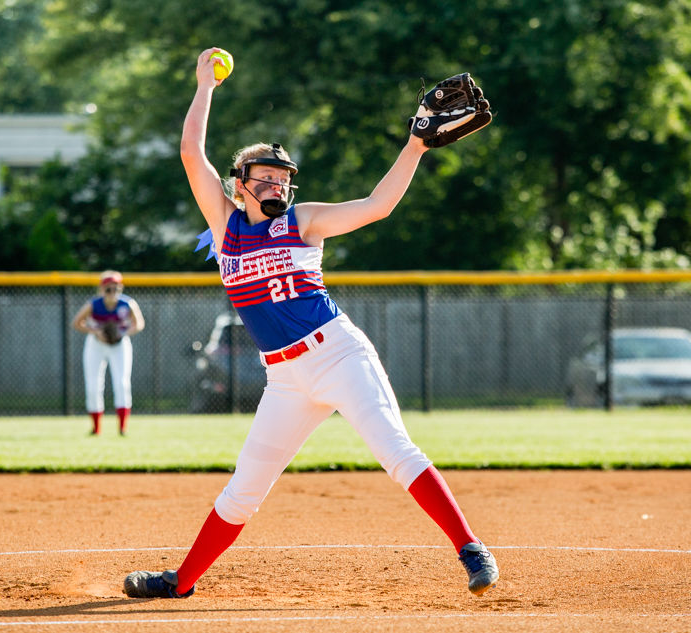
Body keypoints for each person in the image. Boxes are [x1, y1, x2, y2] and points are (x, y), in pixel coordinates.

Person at [123, 48, 499, 599]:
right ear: (238, 185)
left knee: (396, 452)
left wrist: (415, 145)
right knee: (244, 489)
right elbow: (189, 151)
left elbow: (377, 205)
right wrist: (204, 85)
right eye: (264, 177)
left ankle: (472, 549)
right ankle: (181, 582)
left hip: (338, 355)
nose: (276, 185)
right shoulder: (224, 223)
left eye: (282, 178)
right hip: (285, 378)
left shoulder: (304, 221)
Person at [71, 271, 145, 435]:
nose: (112, 292)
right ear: (101, 289)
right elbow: (76, 323)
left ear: (120, 288)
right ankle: (96, 428)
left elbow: (139, 324)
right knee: (93, 385)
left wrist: (122, 333)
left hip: (119, 344)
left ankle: (122, 427)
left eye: (115, 288)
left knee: (122, 383)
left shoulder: (127, 303)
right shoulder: (93, 304)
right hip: (96, 344)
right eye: (108, 289)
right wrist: (96, 331)